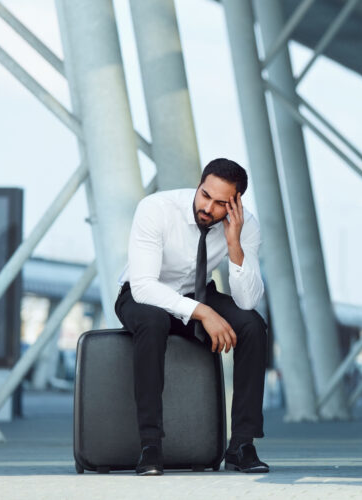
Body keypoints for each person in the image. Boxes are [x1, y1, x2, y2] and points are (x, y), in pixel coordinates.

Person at [114, 158, 269, 475]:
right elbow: (144, 286)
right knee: (154, 321)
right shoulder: (156, 208)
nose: (208, 207)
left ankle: (242, 444)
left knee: (252, 326)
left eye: (220, 203)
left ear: (235, 203)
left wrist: (234, 244)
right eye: (205, 195)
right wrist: (203, 312)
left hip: (198, 292)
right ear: (199, 186)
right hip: (144, 295)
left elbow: (248, 299)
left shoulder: (246, 226)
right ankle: (150, 445)